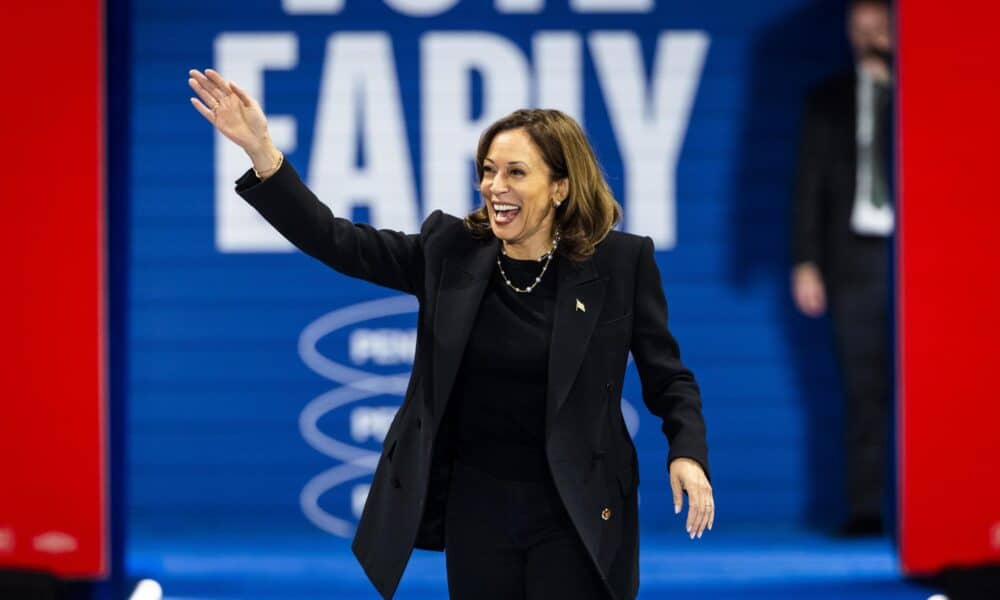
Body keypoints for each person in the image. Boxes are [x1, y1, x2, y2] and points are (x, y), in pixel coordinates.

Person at [188, 68, 714, 599]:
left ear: (559, 187)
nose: (495, 187)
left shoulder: (621, 264)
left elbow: (669, 377)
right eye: (488, 171)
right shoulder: (451, 251)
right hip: (479, 509)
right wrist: (263, 153)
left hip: (579, 505)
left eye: (515, 173)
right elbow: (337, 240)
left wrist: (686, 453)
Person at [791, 0, 894, 536]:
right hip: (853, 257)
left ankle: (936, 506)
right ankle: (866, 508)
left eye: (878, 27)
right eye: (860, 29)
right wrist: (806, 260)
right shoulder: (827, 99)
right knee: (862, 387)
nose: (869, 38)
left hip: (922, 261)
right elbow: (807, 184)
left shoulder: (928, 92)